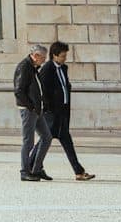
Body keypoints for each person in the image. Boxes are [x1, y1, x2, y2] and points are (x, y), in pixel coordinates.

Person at [39, 41, 93, 180]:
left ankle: (79, 171)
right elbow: (44, 91)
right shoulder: (47, 69)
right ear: (54, 56)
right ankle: (30, 166)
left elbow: (64, 87)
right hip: (52, 113)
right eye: (62, 56)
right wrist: (48, 109)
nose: (64, 58)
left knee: (66, 142)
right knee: (45, 141)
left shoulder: (63, 68)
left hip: (63, 112)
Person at [14, 42, 53, 181]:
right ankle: (24, 172)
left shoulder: (34, 67)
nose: (45, 60)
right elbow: (19, 91)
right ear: (35, 56)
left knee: (47, 137)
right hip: (29, 110)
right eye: (43, 57)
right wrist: (30, 107)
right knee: (28, 142)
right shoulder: (24, 67)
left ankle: (36, 169)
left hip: (37, 110)